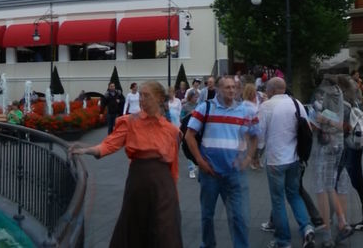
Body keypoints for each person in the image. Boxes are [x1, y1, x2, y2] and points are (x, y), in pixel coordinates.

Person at [70, 81, 181, 248]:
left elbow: (173, 164)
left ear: (159, 98)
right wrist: (87, 150)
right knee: (134, 226)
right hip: (138, 181)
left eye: (146, 96)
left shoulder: (172, 130)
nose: (142, 99)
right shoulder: (131, 121)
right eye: (141, 95)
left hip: (163, 184)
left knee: (165, 229)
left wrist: (175, 193)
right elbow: (109, 144)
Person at [184, 76, 258, 248]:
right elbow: (189, 136)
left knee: (238, 216)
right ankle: (207, 244)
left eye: (234, 87)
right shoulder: (205, 108)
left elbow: (255, 135)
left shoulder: (245, 111)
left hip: (234, 173)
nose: (231, 90)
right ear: (218, 89)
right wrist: (200, 161)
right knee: (207, 215)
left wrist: (248, 157)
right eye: (227, 87)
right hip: (210, 172)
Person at [256, 77, 316, 248]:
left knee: (278, 200)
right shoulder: (296, 103)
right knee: (294, 195)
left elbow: (260, 135)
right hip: (294, 158)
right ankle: (307, 228)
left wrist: (256, 153)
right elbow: (307, 128)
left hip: (275, 159)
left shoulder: (266, 106)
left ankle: (283, 240)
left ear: (271, 90)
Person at [307, 75, 355, 246]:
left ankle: (332, 230)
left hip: (325, 145)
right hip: (341, 145)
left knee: (323, 188)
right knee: (339, 186)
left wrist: (321, 119)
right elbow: (342, 123)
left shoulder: (321, 95)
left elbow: (315, 123)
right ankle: (341, 224)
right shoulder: (341, 95)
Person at [339, 75, 363, 233]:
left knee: (357, 182)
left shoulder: (345, 106)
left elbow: (345, 127)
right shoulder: (356, 103)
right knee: (356, 181)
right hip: (355, 146)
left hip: (350, 147)